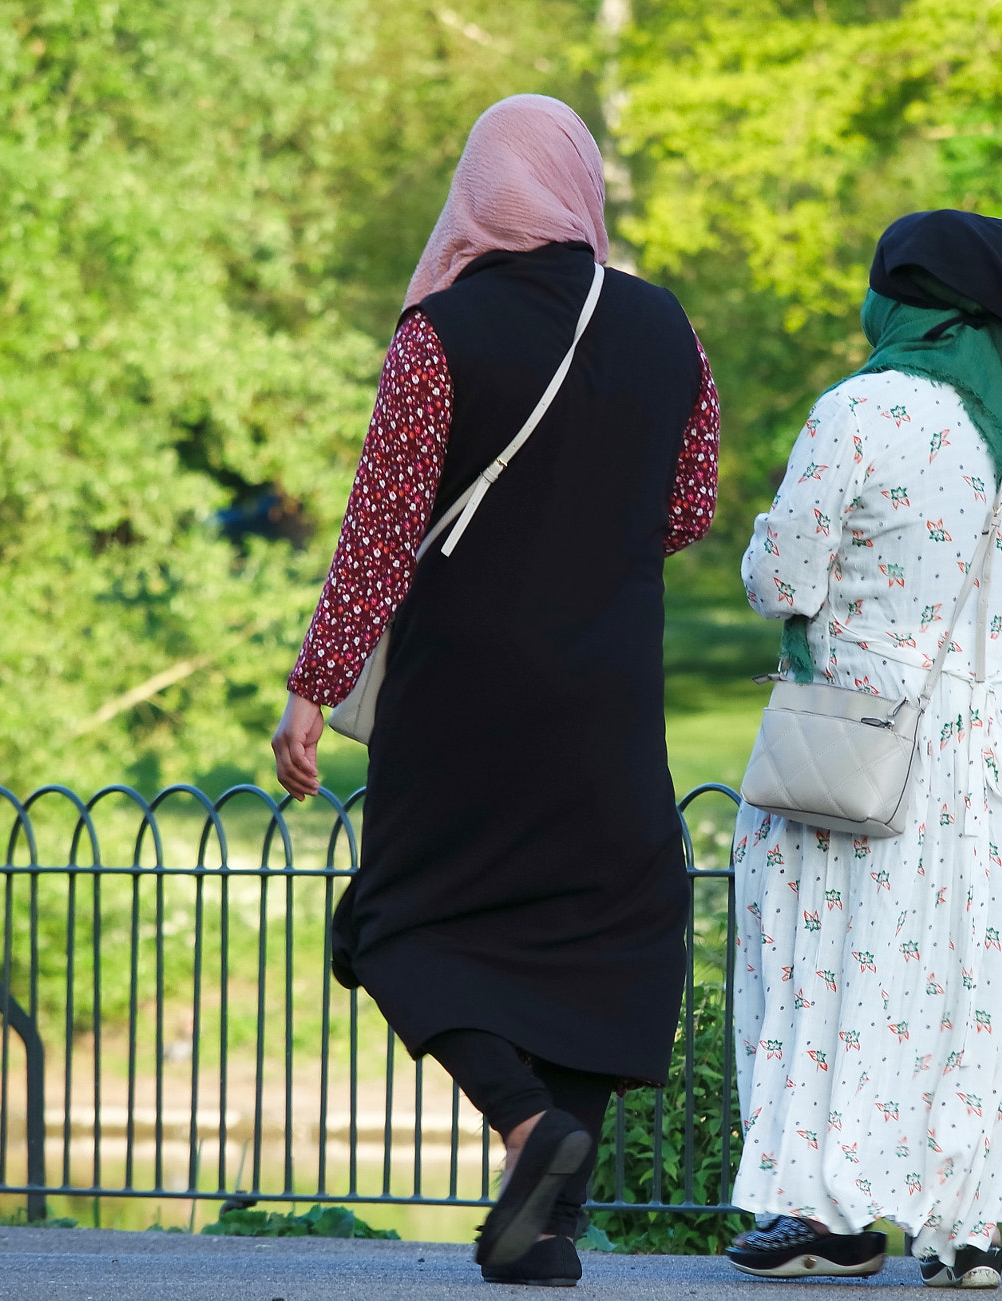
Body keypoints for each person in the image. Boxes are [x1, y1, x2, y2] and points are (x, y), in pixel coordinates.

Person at [269, 94, 719, 1287]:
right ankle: (546, 1219)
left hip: (461, 690)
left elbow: (381, 528)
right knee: (602, 924)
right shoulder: (669, 328)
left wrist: (314, 687)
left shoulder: (438, 334)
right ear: (579, 185)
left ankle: (527, 1126)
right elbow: (688, 509)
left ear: (479, 186)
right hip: (607, 690)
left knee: (399, 915)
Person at [726, 210, 1002, 1289]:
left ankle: (828, 1211)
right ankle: (967, 1228)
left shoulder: (862, 409)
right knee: (979, 977)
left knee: (837, 959)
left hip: (877, 731)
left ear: (901, 301)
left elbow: (785, 580)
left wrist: (764, 547)